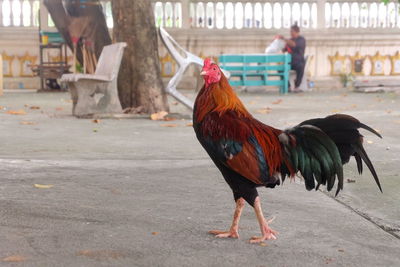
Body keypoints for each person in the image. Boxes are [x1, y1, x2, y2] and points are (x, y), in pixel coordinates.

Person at [277, 24, 306, 92]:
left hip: (298, 61)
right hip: (290, 62)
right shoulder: (290, 40)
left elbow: (294, 44)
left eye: (292, 31)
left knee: (301, 67)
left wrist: (284, 39)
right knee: (280, 68)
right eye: (290, 31)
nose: (291, 33)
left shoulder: (301, 39)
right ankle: (288, 86)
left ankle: (297, 86)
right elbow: (285, 49)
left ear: (297, 32)